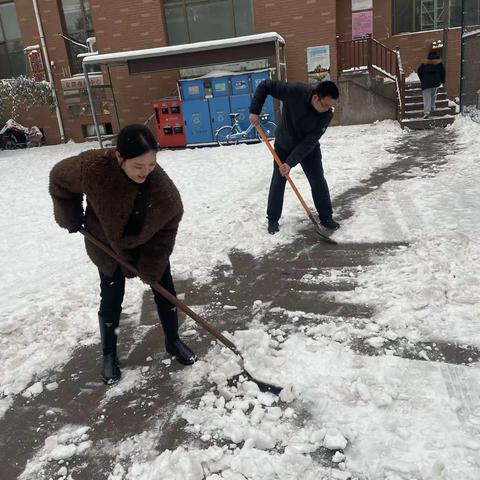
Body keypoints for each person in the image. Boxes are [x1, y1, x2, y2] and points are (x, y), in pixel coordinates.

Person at [49, 124, 196, 385]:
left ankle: (173, 341)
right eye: (138, 166)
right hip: (105, 243)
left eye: (151, 165)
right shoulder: (93, 169)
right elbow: (59, 178)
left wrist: (150, 268)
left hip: (147, 244)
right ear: (119, 158)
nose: (146, 172)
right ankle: (109, 355)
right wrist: (69, 215)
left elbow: (165, 233)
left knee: (165, 290)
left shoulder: (166, 196)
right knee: (111, 297)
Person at [249, 79, 340, 235]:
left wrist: (290, 164)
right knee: (278, 180)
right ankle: (272, 219)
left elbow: (309, 142)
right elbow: (266, 86)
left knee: (318, 180)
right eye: (325, 105)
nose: (327, 110)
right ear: (316, 97)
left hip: (308, 149)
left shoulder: (326, 115)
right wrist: (255, 110)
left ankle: (326, 217)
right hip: (284, 145)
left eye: (330, 106)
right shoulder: (296, 91)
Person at [417, 50, 445, 119]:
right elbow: (443, 72)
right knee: (433, 95)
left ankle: (427, 112)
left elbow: (419, 72)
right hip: (435, 82)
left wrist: (422, 79)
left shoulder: (424, 64)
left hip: (426, 83)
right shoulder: (439, 64)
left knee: (427, 98)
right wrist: (442, 80)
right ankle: (432, 106)